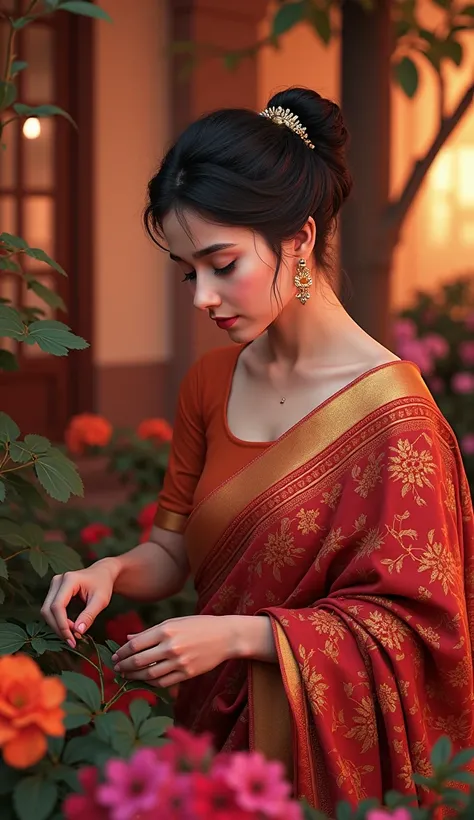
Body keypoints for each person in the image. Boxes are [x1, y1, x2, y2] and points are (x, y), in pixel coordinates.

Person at [41, 87, 474, 814]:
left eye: (221, 262)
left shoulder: (397, 420)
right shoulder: (211, 381)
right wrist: (110, 569)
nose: (203, 297)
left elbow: (428, 630)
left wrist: (242, 637)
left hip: (316, 775)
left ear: (299, 239)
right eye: (189, 271)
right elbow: (173, 554)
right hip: (209, 755)